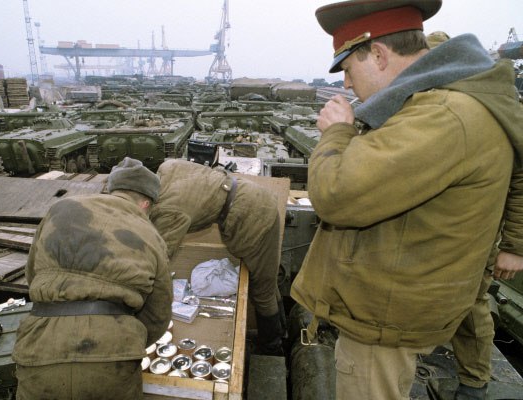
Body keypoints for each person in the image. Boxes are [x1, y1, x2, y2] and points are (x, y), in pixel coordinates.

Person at [290, 0, 523, 399]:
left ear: (378, 55)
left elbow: (335, 195)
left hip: (386, 311)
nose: (346, 85)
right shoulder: (447, 100)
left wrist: (337, 132)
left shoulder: (442, 115)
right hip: (406, 289)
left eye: (348, 70)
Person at [13, 157, 172, 400]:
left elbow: (32, 275)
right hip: (113, 354)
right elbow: (158, 314)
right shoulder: (150, 234)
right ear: (144, 203)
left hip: (39, 347)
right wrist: (129, 338)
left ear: (113, 189)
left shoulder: (61, 209)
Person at [425, 31, 523, 400]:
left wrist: (514, 246)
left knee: (471, 307)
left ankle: (474, 381)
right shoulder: (441, 103)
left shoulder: (496, 108)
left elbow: (520, 181)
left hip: (477, 234)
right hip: (440, 229)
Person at [150, 158, 285, 355]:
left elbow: (158, 262)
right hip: (247, 196)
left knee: (262, 290)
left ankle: (272, 348)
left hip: (253, 216)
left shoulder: (169, 211)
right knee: (268, 281)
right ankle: (282, 332)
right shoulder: (167, 167)